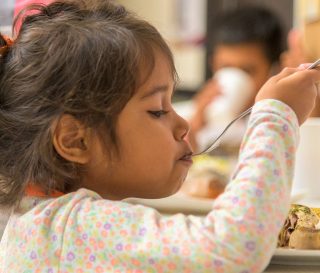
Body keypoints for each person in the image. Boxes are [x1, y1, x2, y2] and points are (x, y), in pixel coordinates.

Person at [0, 1, 319, 272]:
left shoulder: (42, 220)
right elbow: (233, 245)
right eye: (157, 111)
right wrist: (276, 115)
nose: (182, 126)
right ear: (75, 141)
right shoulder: (71, 228)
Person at [189, 5, 286, 152]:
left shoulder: (279, 120)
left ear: (274, 69)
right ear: (213, 64)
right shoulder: (195, 114)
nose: (235, 77)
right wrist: (196, 123)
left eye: (247, 70)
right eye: (225, 67)